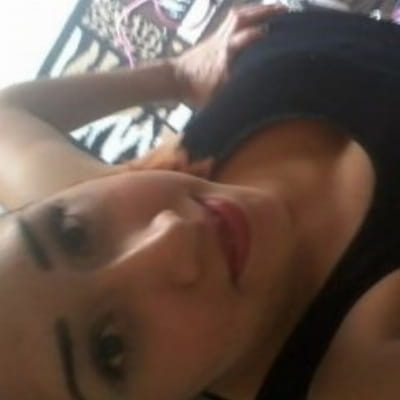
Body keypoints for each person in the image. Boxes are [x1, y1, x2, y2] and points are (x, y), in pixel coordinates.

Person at [0, 2, 400, 399]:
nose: (170, 236)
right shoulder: (360, 375)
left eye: (73, 234)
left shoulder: (103, 193)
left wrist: (174, 74)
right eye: (112, 349)